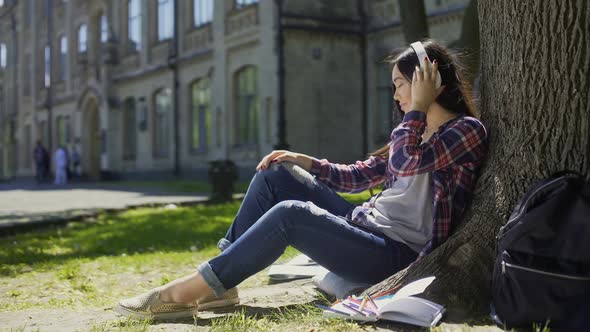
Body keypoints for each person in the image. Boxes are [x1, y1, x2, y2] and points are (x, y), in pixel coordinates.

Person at [115, 39, 488, 320]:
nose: (397, 95)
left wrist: (418, 110)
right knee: (276, 174)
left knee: (291, 214)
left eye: (401, 84)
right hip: (365, 227)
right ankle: (221, 282)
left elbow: (409, 162)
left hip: (395, 255)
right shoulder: (413, 129)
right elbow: (359, 177)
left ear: (428, 79)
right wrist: (305, 161)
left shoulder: (465, 131)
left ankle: (184, 293)